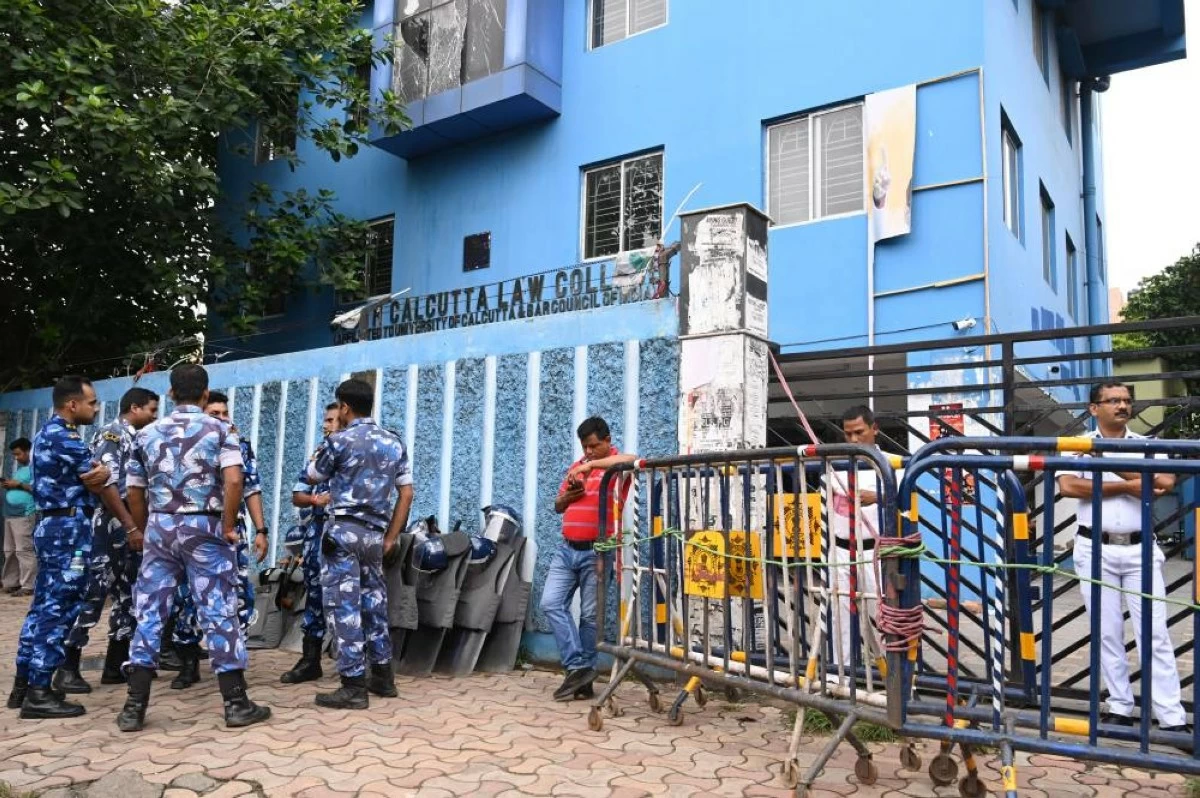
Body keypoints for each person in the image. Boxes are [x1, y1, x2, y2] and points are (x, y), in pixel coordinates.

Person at [116, 364, 270, 731]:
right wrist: (228, 525)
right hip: (205, 525)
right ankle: (236, 703)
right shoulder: (220, 430)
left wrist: (142, 526)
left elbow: (134, 491)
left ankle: (134, 707)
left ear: (170, 393)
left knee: (150, 611)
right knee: (218, 608)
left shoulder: (147, 433)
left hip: (161, 527)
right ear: (205, 395)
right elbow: (234, 480)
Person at [1056, 381, 1191, 737]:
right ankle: (1119, 707)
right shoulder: (1078, 446)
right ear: (1093, 408)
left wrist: (1110, 464)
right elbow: (1069, 487)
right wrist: (1128, 485)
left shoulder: (1147, 445)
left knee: (1155, 632)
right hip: (1093, 547)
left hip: (1140, 549)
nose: (1121, 405)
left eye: (1126, 400)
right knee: (1107, 632)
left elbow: (1163, 483)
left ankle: (1171, 717)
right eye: (1112, 400)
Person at [6, 376, 130, 718]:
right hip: (68, 530)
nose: (96, 408)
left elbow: (96, 474)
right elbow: (100, 476)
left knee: (43, 606)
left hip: (53, 526)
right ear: (72, 404)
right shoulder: (64, 436)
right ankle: (40, 692)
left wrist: (97, 473)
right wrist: (101, 474)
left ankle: (24, 685)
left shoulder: (48, 433)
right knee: (60, 608)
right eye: (91, 402)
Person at [305, 379, 413, 709]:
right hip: (375, 536)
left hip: (343, 533)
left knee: (345, 608)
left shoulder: (338, 442)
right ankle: (382, 676)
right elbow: (406, 493)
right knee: (374, 604)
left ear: (345, 408)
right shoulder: (394, 442)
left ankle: (352, 686)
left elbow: (312, 475)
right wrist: (392, 537)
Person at [53, 388, 159, 694]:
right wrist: (129, 526)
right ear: (135, 408)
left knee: (129, 596)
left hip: (128, 526)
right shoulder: (113, 435)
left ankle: (115, 665)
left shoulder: (135, 438)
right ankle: (67, 667)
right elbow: (104, 483)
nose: (154, 416)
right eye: (151, 410)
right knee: (94, 594)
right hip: (110, 525)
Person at [165, 390, 268, 690]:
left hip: (231, 531)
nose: (223, 419)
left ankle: (234, 666)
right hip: (193, 530)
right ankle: (187, 664)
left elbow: (251, 488)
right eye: (215, 414)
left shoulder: (238, 444)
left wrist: (261, 530)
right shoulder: (183, 443)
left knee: (237, 595)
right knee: (186, 598)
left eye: (225, 414)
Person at [543, 416, 636, 702]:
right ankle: (578, 667)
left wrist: (592, 465)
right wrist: (570, 494)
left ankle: (584, 681)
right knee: (550, 603)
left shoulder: (616, 466)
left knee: (589, 617)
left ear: (607, 441)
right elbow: (558, 506)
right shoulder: (577, 468)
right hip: (567, 549)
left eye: (594, 446)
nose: (588, 452)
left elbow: (635, 458)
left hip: (597, 551)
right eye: (585, 447)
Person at [823, 405, 898, 671]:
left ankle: (894, 678)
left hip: (874, 553)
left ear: (874, 429)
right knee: (840, 616)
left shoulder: (892, 463)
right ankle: (838, 675)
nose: (854, 440)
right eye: (848, 434)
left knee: (881, 615)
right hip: (841, 550)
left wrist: (878, 496)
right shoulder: (837, 465)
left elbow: (909, 499)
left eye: (859, 432)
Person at [281, 402, 341, 684]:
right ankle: (310, 659)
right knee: (315, 595)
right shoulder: (319, 454)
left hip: (347, 532)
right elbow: (297, 494)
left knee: (354, 597)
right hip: (318, 532)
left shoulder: (359, 452)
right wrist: (317, 499)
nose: (326, 425)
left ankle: (361, 664)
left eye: (331, 420)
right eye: (325, 420)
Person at [2, 439, 38, 596]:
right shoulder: (20, 470)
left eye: (18, 454)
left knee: (24, 550)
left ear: (28, 451)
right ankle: (11, 582)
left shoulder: (35, 468)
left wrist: (17, 485)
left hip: (24, 515)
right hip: (10, 515)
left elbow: (38, 489)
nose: (16, 457)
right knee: (9, 550)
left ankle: (28, 585)